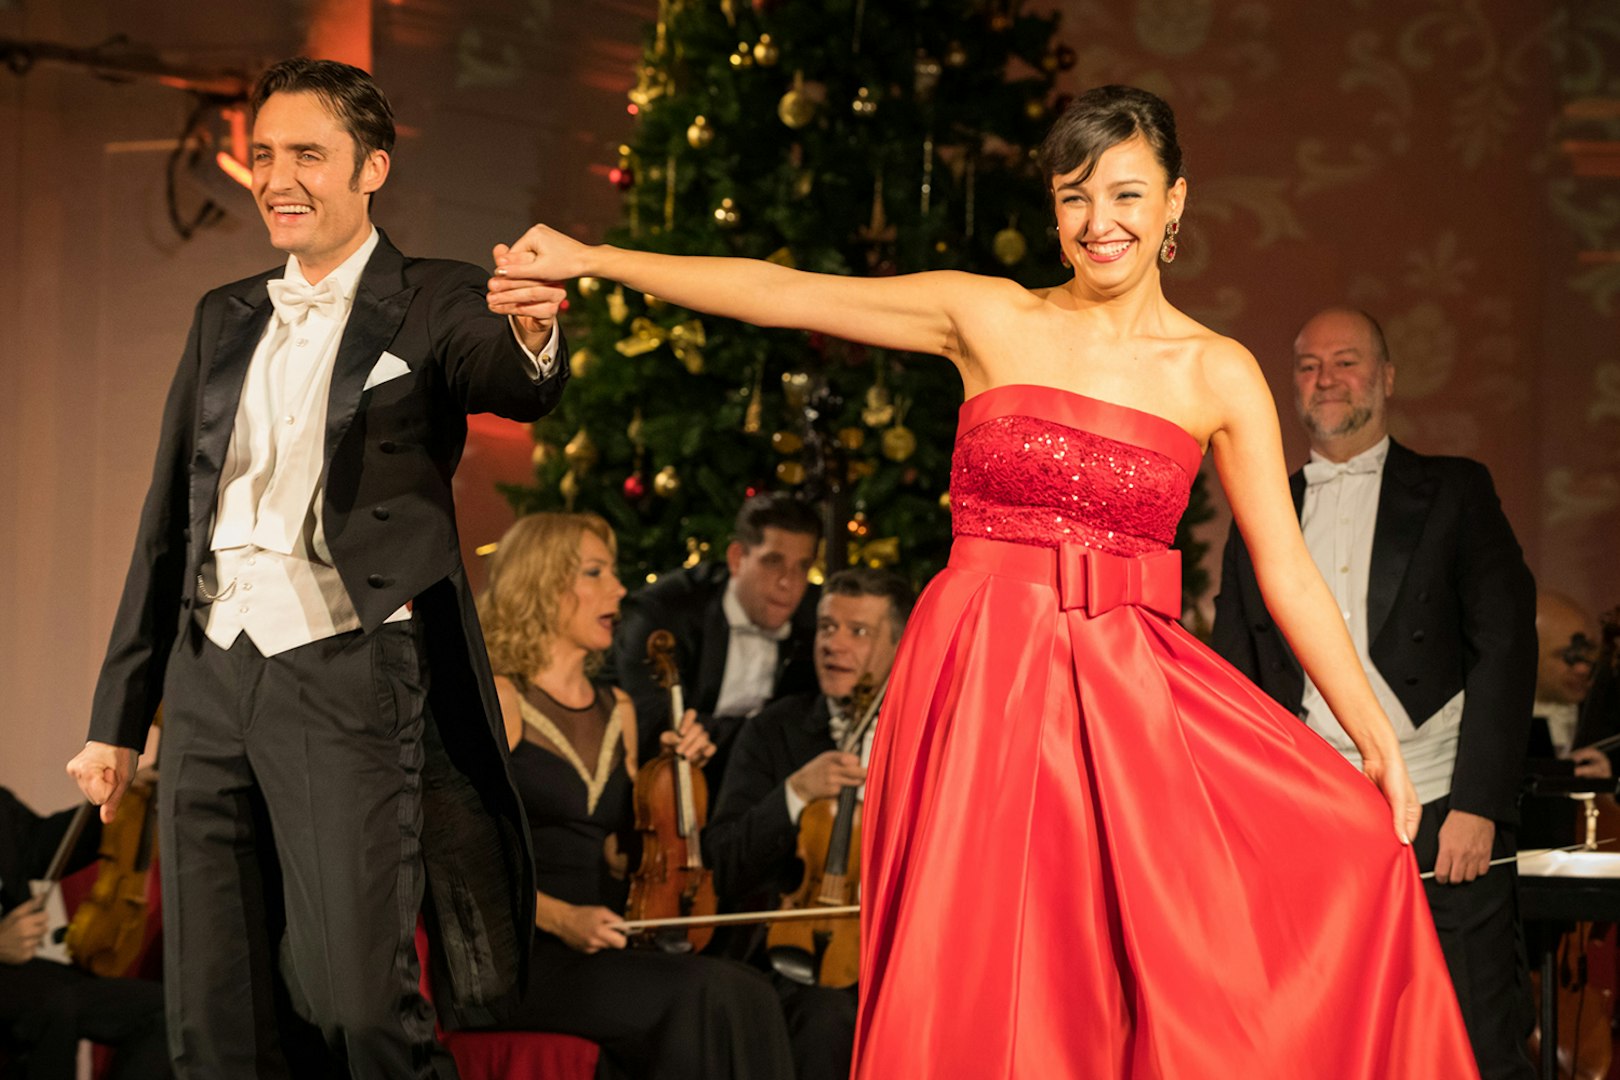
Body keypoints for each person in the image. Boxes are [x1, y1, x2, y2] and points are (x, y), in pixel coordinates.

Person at [489, 84, 1479, 1078]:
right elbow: (786, 290)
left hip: (1127, 702)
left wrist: (1373, 735)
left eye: (1129, 196)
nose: (1103, 224)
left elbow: (1289, 571)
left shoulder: (1215, 373)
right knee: (980, 965)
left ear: (1175, 204)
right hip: (983, 680)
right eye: (1077, 197)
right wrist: (595, 259)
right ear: (1052, 209)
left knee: (1141, 968)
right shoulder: (987, 315)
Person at [66, 58, 569, 1077]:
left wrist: (533, 329)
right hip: (210, 678)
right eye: (263, 154)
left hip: (348, 671)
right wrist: (117, 722)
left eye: (308, 154)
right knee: (214, 1018)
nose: (277, 177)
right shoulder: (224, 314)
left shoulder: (432, 298)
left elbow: (507, 375)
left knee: (357, 1002)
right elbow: (169, 518)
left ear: (372, 167)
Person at [1210, 306, 1537, 1079]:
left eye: (1346, 361)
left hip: (1443, 815)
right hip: (1310, 824)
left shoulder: (1457, 491)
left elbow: (1506, 649)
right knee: (1328, 1045)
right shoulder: (1262, 511)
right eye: (1307, 364)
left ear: (1387, 378)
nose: (1325, 379)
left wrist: (1479, 807)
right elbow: (1235, 677)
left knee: (1478, 1040)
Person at [475, 512, 795, 1079]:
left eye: (614, 573)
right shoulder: (502, 700)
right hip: (521, 954)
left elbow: (619, 854)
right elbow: (460, 863)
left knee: (751, 992)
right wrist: (558, 918)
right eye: (595, 573)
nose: (620, 589)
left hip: (599, 940)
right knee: (708, 994)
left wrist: (671, 781)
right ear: (543, 585)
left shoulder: (617, 709)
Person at [705, 567, 911, 1080]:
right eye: (826, 627)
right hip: (792, 955)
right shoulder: (772, 732)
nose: (834, 645)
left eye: (858, 632)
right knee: (827, 1016)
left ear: (901, 644)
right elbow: (723, 865)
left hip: (903, 951)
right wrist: (795, 794)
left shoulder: (924, 735)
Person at [611, 493, 821, 783]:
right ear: (737, 558)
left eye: (802, 567)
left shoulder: (819, 620)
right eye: (773, 562)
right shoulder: (664, 613)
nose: (789, 582)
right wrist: (763, 736)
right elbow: (656, 725)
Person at [0, 785, 169, 1080]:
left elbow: (38, 846)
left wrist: (118, 799)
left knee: (164, 1012)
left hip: (22, 971)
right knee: (58, 1006)